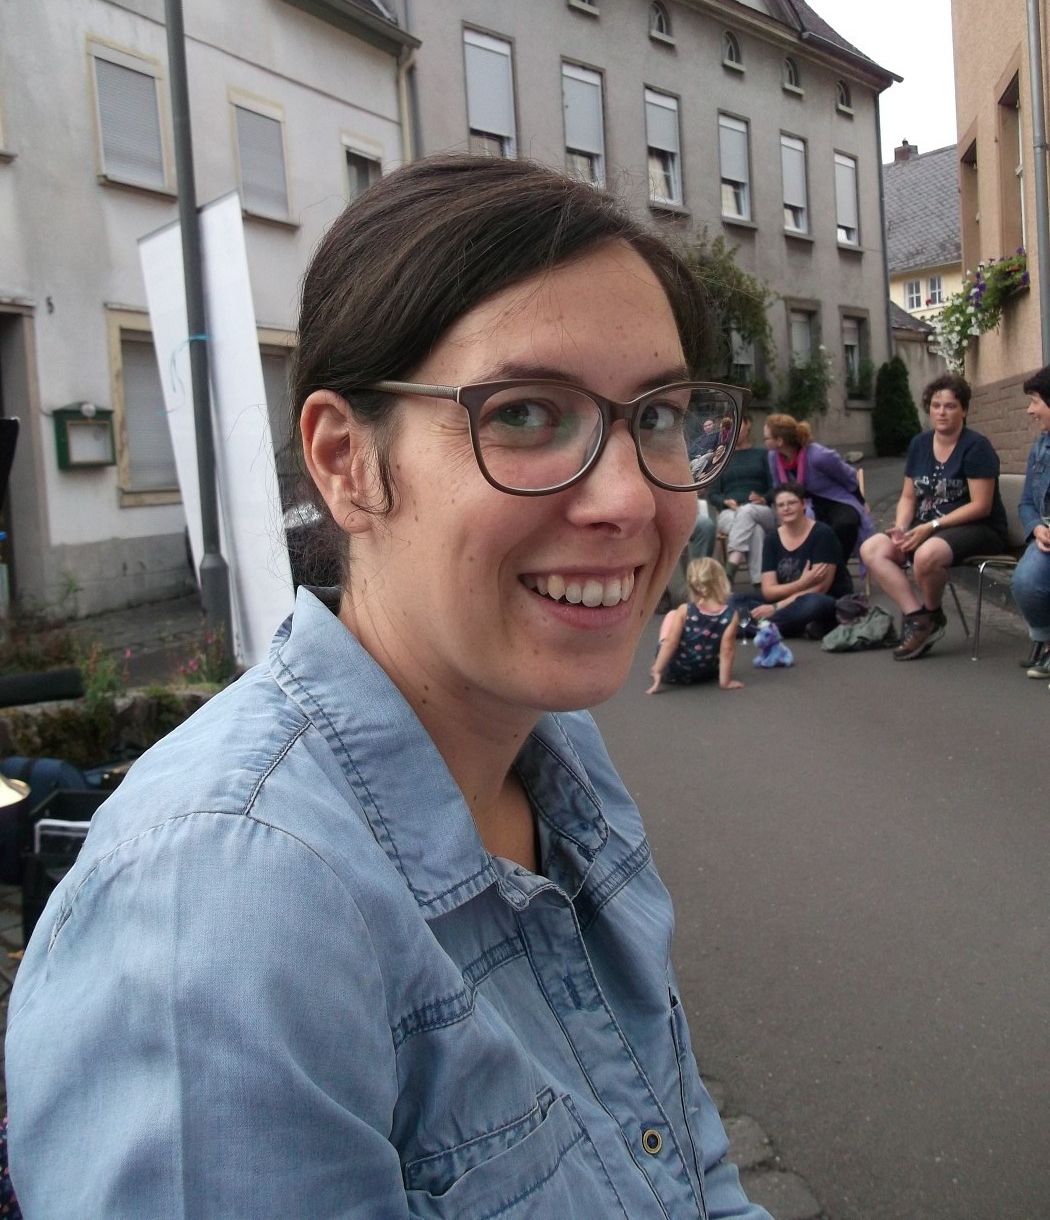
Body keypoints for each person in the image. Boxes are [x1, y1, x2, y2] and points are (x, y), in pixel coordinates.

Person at [6, 157, 770, 1219]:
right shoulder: (223, 908)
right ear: (346, 462)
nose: (630, 499)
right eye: (525, 413)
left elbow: (688, 1165)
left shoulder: (553, 755)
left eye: (658, 415)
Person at [860, 372, 1007, 661]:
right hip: (927, 527)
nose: (941, 412)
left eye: (950, 406)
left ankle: (930, 612)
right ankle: (920, 618)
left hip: (976, 528)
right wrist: (902, 526)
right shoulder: (920, 444)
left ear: (964, 410)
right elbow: (908, 496)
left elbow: (981, 506)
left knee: (926, 555)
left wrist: (932, 526)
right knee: (872, 548)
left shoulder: (976, 447)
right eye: (936, 405)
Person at [763, 412, 876, 560]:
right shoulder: (773, 457)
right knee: (808, 530)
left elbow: (847, 476)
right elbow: (779, 487)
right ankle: (813, 566)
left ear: (779, 441)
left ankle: (834, 567)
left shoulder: (819, 455)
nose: (764, 442)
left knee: (844, 524)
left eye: (766, 438)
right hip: (805, 504)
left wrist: (861, 502)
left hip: (836, 500)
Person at [752, 483, 852, 638]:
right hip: (786, 601)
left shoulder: (822, 534)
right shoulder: (772, 539)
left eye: (792, 503)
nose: (786, 508)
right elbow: (769, 591)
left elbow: (820, 588)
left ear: (803, 504)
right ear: (776, 510)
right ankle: (785, 626)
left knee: (814, 604)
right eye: (781, 505)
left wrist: (775, 607)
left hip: (822, 599)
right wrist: (802, 583)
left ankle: (754, 627)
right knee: (736, 600)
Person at [689, 415, 774, 584]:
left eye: (739, 425)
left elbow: (775, 487)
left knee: (748, 511)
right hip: (729, 512)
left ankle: (729, 571)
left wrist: (764, 498)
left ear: (748, 425)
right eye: (730, 427)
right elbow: (713, 494)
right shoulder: (722, 458)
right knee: (755, 530)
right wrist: (725, 502)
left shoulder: (763, 455)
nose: (734, 430)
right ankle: (760, 583)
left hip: (760, 510)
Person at [647, 557, 744, 693]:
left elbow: (671, 643)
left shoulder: (685, 610)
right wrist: (725, 682)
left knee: (671, 616)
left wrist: (657, 670)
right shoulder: (730, 615)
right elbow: (727, 650)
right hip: (705, 672)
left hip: (674, 672)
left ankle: (657, 662)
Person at [1011, 366, 1050, 677]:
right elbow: (1026, 503)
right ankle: (1048, 644)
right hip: (1046, 535)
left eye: (1035, 401)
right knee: (1027, 581)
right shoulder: (1040, 448)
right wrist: (1037, 528)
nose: (1030, 410)